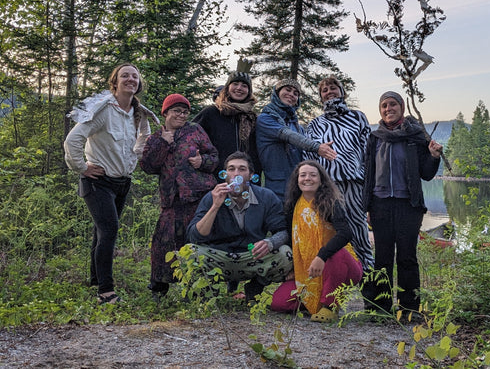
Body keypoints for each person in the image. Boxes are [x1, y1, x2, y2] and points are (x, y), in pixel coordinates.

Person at [64, 63, 158, 304]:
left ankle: (95, 278)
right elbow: (73, 140)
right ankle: (106, 291)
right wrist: (83, 167)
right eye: (124, 75)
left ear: (138, 84)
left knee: (101, 232)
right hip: (97, 182)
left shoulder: (136, 112)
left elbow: (143, 138)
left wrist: (133, 157)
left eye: (134, 76)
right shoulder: (103, 111)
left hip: (122, 182)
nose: (130, 79)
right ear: (114, 82)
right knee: (109, 230)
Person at [363, 91, 443, 314]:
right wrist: (367, 206)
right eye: (384, 106)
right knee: (383, 257)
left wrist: (434, 156)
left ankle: (409, 308)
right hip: (380, 204)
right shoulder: (375, 137)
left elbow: (426, 174)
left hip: (409, 205)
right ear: (380, 110)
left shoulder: (415, 136)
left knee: (407, 256)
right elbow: (369, 173)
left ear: (402, 107)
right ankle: (381, 307)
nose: (388, 109)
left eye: (393, 105)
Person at [140, 93, 218, 298]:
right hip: (171, 200)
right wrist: (164, 143)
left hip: (198, 196)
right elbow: (148, 166)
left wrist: (203, 162)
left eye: (185, 112)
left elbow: (214, 157)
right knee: (162, 242)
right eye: (177, 111)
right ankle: (159, 287)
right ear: (165, 112)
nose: (182, 115)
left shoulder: (195, 131)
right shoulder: (156, 138)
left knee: (197, 241)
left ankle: (200, 288)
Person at [186, 152, 293, 302]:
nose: (236, 174)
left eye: (242, 169)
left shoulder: (266, 197)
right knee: (189, 253)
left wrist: (270, 243)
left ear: (251, 175)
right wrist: (215, 206)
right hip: (220, 256)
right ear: (225, 175)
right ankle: (208, 291)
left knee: (285, 254)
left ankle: (255, 287)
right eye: (231, 169)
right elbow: (195, 236)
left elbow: (282, 231)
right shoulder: (212, 197)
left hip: (252, 256)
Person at [271, 161, 363, 323]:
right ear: (296, 180)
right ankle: (313, 301)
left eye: (313, 175)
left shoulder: (330, 203)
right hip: (309, 270)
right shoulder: (293, 206)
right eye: (303, 175)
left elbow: (346, 234)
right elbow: (293, 239)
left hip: (341, 265)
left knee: (336, 254)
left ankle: (330, 306)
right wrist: (293, 268)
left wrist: (321, 256)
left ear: (321, 180)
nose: (308, 179)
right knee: (278, 303)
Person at [304, 76, 374, 272]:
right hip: (327, 188)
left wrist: (369, 182)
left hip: (353, 184)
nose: (329, 92)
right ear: (320, 97)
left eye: (333, 88)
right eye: (324, 90)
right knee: (328, 235)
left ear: (342, 91)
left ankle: (369, 280)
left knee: (359, 232)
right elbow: (308, 155)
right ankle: (328, 288)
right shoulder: (315, 124)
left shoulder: (358, 117)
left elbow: (368, 151)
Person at [256, 78, 337, 200]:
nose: (291, 95)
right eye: (287, 90)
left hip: (298, 187)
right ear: (277, 93)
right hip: (276, 189)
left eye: (296, 93)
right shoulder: (265, 119)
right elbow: (287, 135)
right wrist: (317, 147)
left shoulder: (296, 125)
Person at [193, 60, 261, 182]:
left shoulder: (252, 118)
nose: (239, 88)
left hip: (246, 182)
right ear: (227, 87)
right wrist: (203, 161)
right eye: (235, 84)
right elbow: (191, 138)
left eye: (244, 86)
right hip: (216, 179)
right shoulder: (211, 113)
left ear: (249, 91)